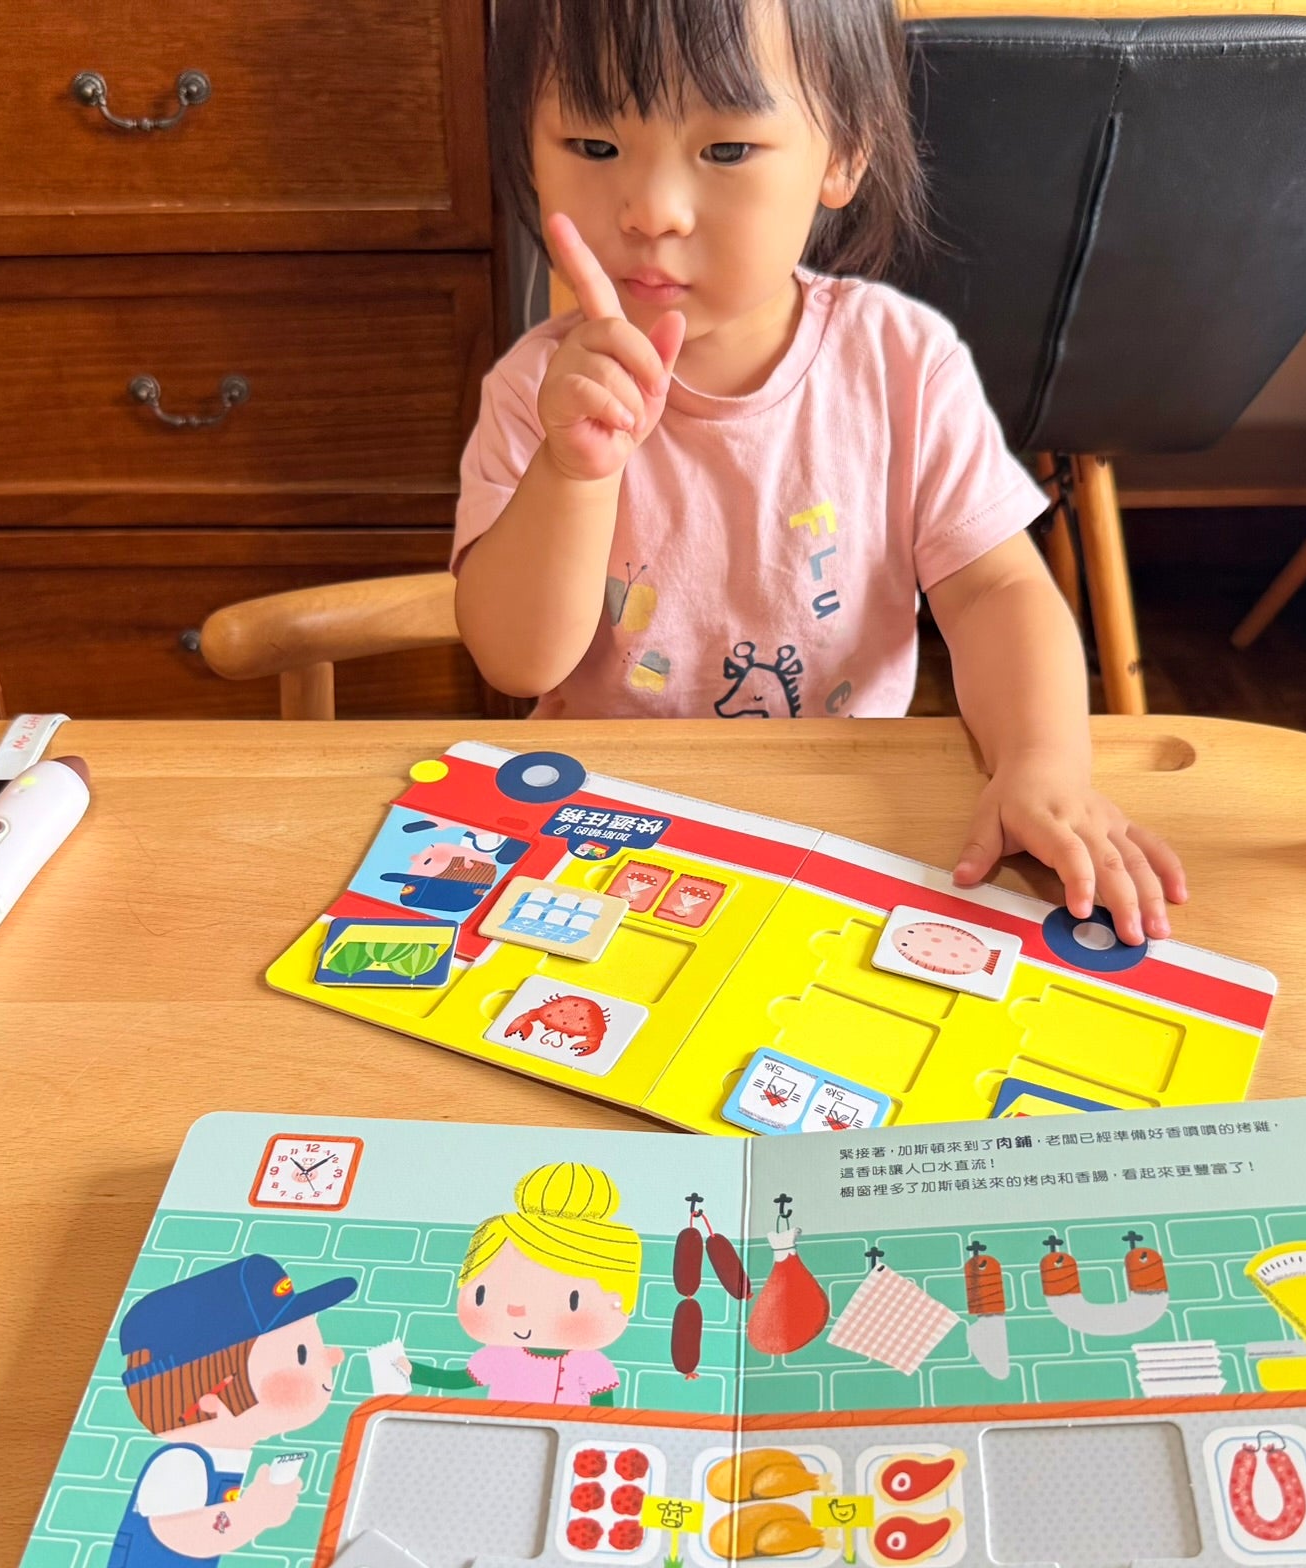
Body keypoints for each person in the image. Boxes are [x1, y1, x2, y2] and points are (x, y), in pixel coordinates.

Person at [452, 0, 1185, 946]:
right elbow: (517, 662)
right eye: (593, 145)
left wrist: (1041, 764)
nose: (651, 211)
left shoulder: (902, 364)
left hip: (837, 822)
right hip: (608, 827)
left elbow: (996, 590)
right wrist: (574, 471)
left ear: (844, 152)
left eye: (725, 150)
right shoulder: (537, 392)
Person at [87, 1255, 353, 1568]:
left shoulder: (228, 1456)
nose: (333, 1357)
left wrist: (259, 1505)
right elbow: (180, 1532)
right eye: (302, 1353)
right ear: (215, 1393)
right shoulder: (182, 1461)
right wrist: (254, 1514)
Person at [395, 1161, 641, 1406]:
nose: (517, 1309)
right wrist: (411, 1370)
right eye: (481, 1294)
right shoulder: (498, 1355)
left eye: (572, 1300)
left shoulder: (592, 1364)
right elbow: (456, 1380)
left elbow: (604, 1414)